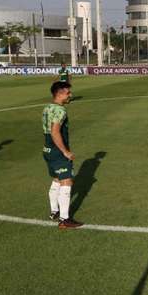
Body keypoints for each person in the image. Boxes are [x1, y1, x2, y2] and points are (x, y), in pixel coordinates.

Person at [42, 81, 83, 229]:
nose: (70, 95)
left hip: (47, 149)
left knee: (56, 180)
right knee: (66, 182)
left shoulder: (47, 107)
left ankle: (54, 211)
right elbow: (55, 131)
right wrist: (65, 151)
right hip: (57, 150)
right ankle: (64, 220)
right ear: (59, 93)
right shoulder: (60, 110)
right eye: (68, 93)